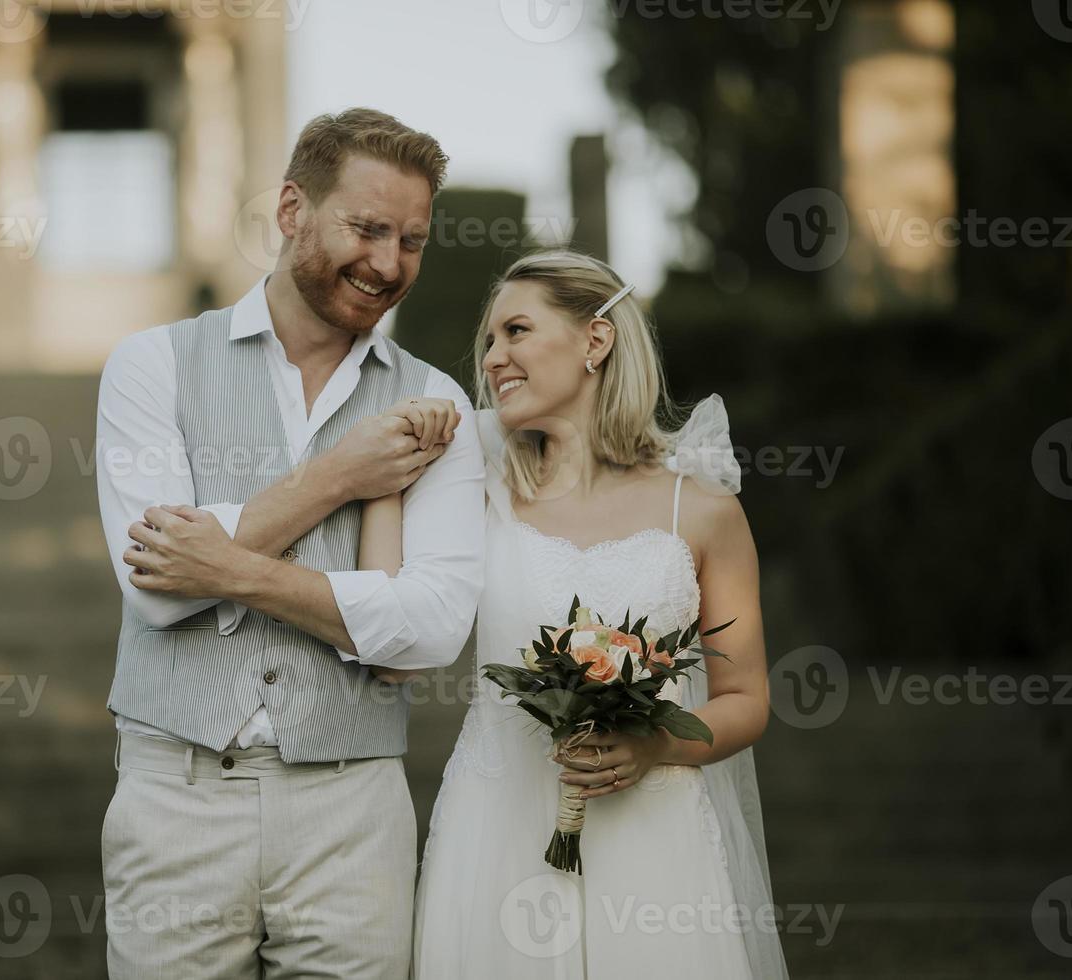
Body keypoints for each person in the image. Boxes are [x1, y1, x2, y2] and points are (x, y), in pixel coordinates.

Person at [94, 108, 485, 979]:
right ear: (289, 211)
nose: (388, 264)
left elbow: (428, 630)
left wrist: (226, 564)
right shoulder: (150, 365)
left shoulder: (437, 401)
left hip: (356, 809)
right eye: (367, 228)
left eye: (412, 241)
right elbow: (157, 589)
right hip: (177, 799)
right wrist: (342, 476)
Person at [395, 250, 789, 977]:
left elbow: (747, 700)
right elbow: (391, 596)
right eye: (488, 342)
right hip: (495, 827)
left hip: (654, 838)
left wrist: (653, 748)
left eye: (515, 331)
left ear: (595, 342)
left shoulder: (701, 510)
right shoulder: (476, 484)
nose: (492, 357)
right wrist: (415, 431)